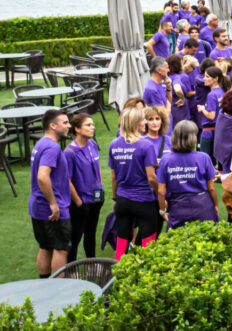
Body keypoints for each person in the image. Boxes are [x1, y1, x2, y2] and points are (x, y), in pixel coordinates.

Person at [109, 106, 159, 260]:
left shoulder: (114, 144)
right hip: (144, 201)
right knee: (147, 244)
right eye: (143, 119)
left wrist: (115, 199)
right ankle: (145, 277)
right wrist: (160, 193)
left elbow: (114, 177)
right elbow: (151, 177)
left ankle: (118, 277)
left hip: (122, 201)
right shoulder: (146, 145)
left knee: (122, 243)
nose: (145, 122)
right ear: (136, 122)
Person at [29, 109, 75, 277]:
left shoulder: (40, 143)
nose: (69, 125)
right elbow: (42, 177)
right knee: (61, 249)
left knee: (45, 247)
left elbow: (33, 175)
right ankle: (58, 291)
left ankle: (44, 284)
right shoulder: (52, 148)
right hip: (52, 209)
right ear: (53, 125)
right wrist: (53, 203)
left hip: (37, 206)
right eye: (65, 123)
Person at [157, 121, 219, 228]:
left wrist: (162, 210)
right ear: (193, 138)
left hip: (178, 206)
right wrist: (216, 205)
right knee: (206, 239)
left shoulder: (166, 160)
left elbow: (161, 191)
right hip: (202, 205)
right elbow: (211, 188)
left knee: (177, 240)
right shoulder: (203, 157)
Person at [64, 113, 104, 263]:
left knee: (91, 233)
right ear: (77, 129)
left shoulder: (93, 144)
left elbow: (98, 168)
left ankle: (92, 263)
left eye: (92, 124)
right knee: (75, 237)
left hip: (96, 198)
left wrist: (100, 191)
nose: (92, 127)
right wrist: (79, 203)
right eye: (88, 125)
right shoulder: (69, 152)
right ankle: (71, 268)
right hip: (80, 202)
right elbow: (66, 180)